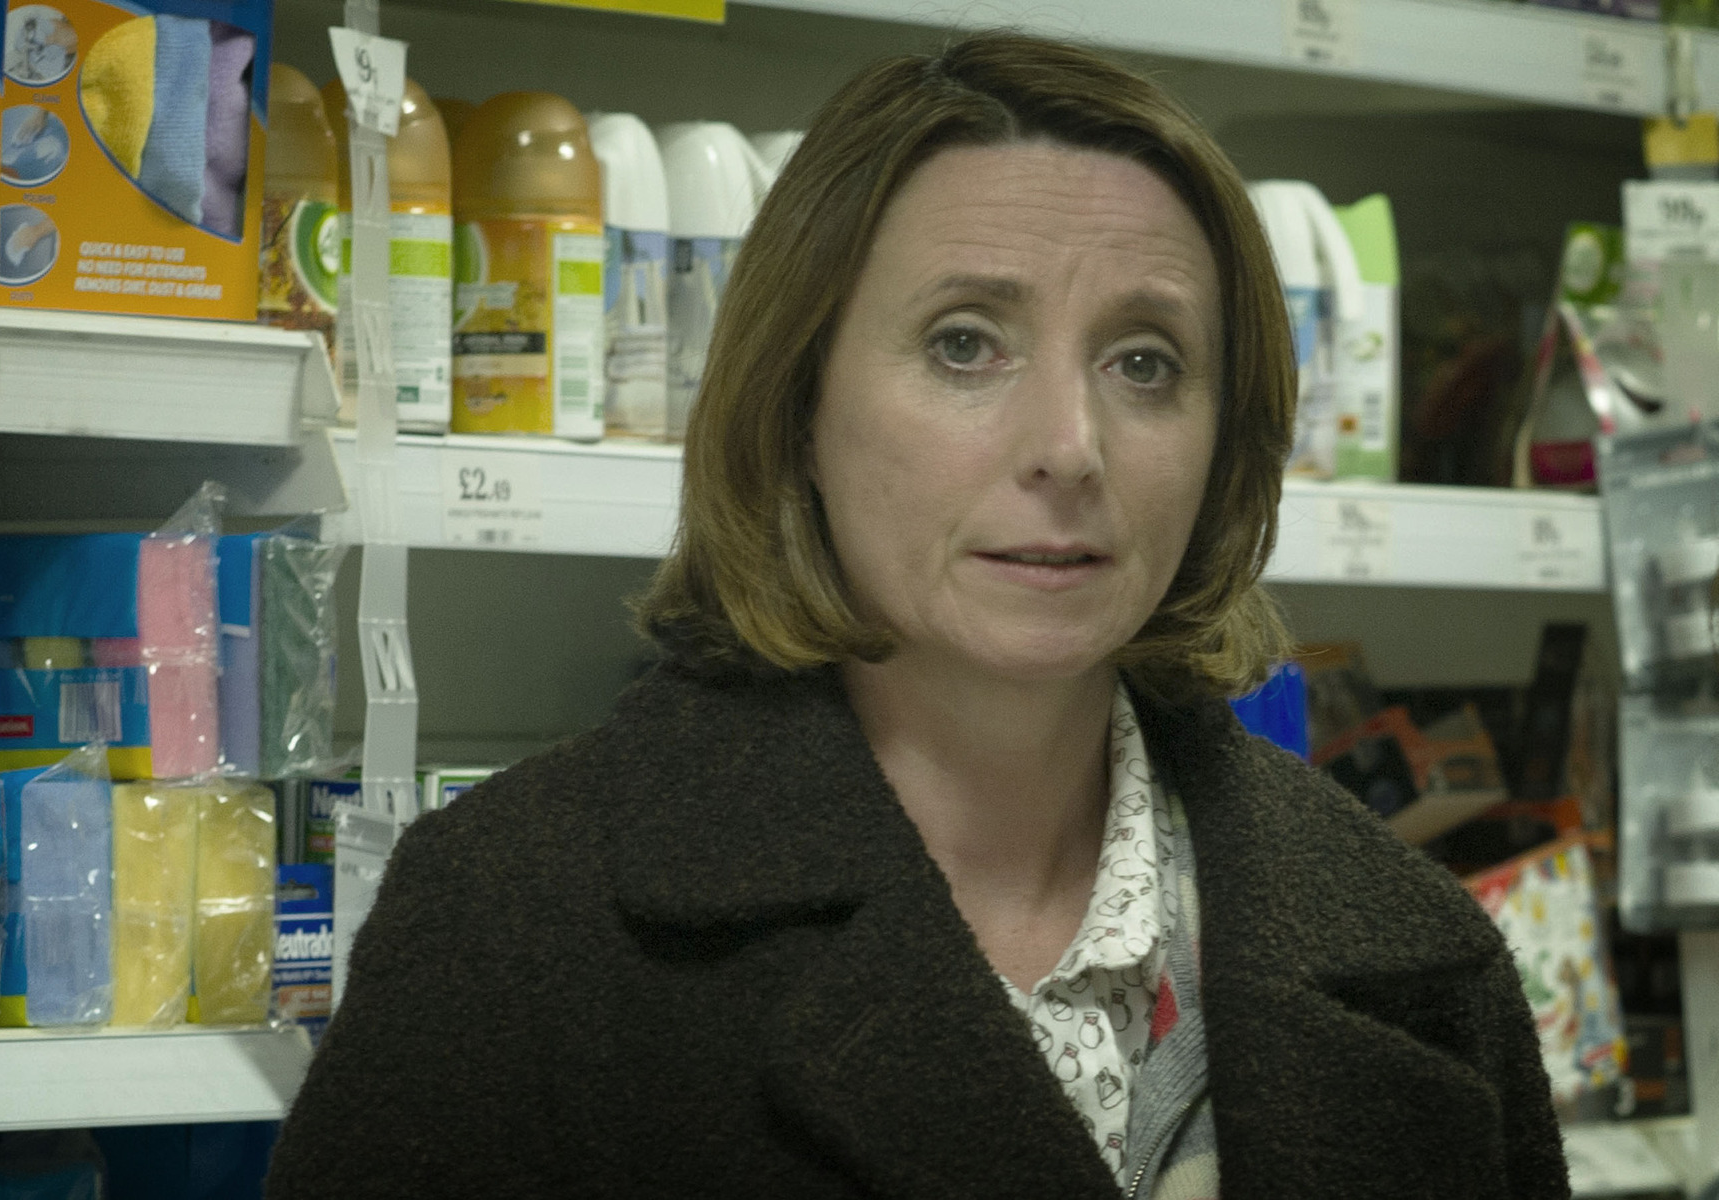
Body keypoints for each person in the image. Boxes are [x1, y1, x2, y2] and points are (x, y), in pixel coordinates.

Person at [265, 32, 1568, 1199]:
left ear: (1225, 443)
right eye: (964, 343)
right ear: (799, 405)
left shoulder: (1418, 956)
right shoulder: (513, 926)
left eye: (1145, 362)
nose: (1070, 446)